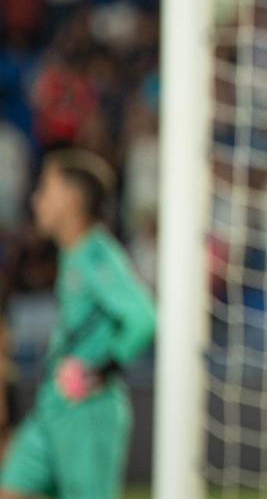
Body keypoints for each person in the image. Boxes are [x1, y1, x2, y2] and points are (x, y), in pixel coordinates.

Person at [0, 149, 156, 499]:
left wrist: (102, 368)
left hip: (87, 410)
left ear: (71, 199)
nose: (36, 200)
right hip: (52, 407)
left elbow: (143, 317)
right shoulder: (72, 254)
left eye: (46, 189)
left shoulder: (99, 254)